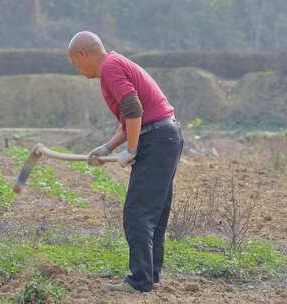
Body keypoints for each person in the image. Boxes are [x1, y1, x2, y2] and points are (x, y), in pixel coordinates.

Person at [67, 31, 184, 293]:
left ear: (83, 54)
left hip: (157, 139)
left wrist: (131, 149)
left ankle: (139, 281)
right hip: (165, 137)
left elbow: (133, 109)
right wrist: (108, 147)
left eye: (75, 63)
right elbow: (130, 119)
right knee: (153, 213)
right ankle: (149, 276)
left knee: (138, 213)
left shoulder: (109, 66)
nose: (78, 70)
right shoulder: (115, 65)